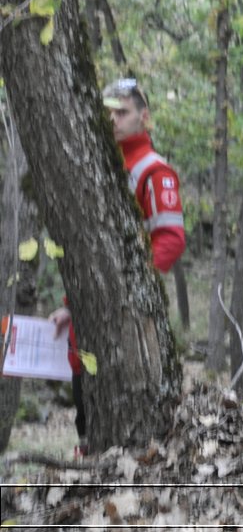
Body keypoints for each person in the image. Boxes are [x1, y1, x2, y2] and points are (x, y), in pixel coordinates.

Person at [49, 77, 186, 452]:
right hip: (87, 326)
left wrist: (134, 293)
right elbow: (89, 252)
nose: (113, 119)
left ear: (144, 117)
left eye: (122, 112)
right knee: (86, 422)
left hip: (129, 325)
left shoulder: (154, 171)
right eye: (108, 112)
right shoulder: (99, 166)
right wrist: (68, 305)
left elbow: (171, 240)